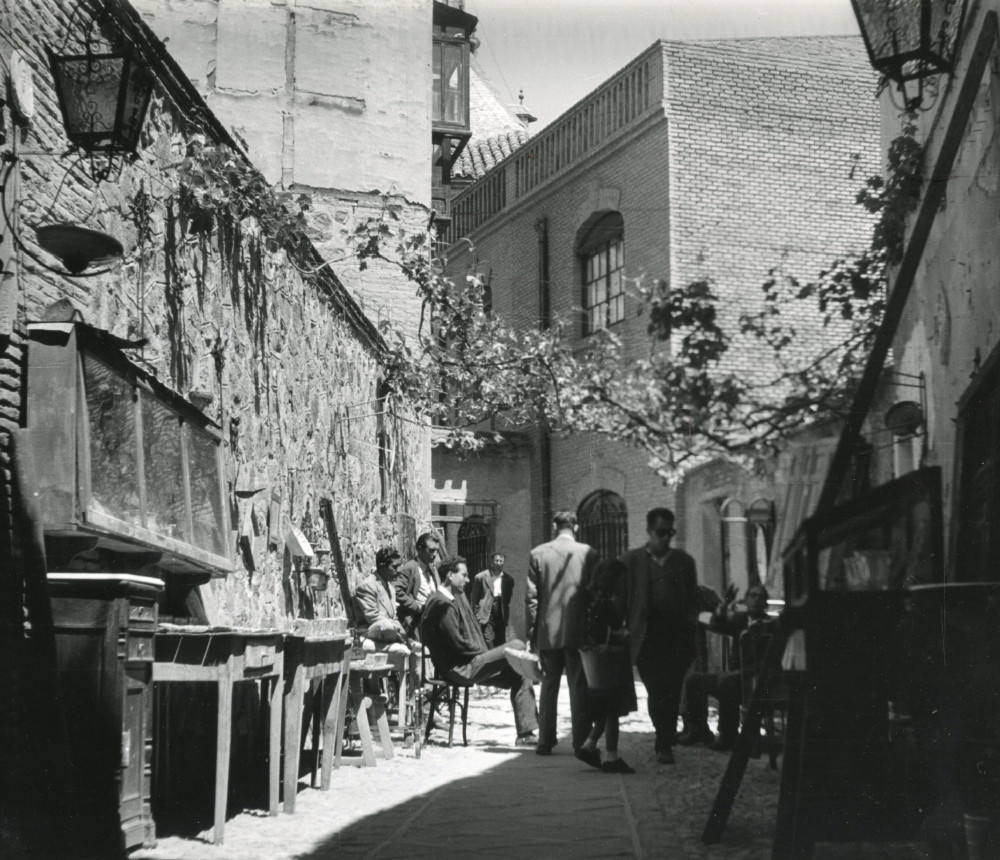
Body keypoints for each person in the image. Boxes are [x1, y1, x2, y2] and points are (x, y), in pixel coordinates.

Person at [421, 556, 538, 745]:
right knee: (516, 646)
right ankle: (538, 669)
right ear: (450, 575)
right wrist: (483, 653)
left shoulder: (451, 598)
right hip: (461, 669)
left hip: (468, 664)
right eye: (464, 575)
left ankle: (526, 734)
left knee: (520, 672)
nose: (468, 580)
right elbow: (458, 644)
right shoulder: (441, 603)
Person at [621, 507, 699, 765]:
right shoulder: (632, 561)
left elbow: (692, 600)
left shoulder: (684, 562)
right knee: (656, 690)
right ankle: (663, 735)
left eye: (670, 533)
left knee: (673, 691)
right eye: (661, 532)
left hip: (676, 638)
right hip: (647, 638)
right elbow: (621, 599)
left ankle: (665, 741)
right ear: (649, 531)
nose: (666, 538)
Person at [526, 510, 598, 761]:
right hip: (578, 631)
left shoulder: (538, 553)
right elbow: (593, 595)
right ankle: (581, 742)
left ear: (554, 527)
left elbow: (532, 599)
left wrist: (532, 634)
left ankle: (545, 741)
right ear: (575, 526)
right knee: (579, 686)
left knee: (549, 685)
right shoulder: (588, 553)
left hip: (548, 631)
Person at [679, 583, 777, 752]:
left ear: (766, 603)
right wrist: (724, 605)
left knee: (728, 683)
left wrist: (740, 673)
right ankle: (698, 728)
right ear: (745, 600)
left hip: (755, 679)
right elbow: (715, 624)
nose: (756, 600)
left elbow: (770, 662)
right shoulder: (741, 620)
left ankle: (727, 735)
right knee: (694, 680)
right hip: (735, 676)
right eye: (752, 596)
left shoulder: (771, 625)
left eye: (760, 597)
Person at [577, 558, 637, 774]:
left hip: (595, 665)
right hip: (609, 663)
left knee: (605, 710)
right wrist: (624, 634)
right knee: (612, 711)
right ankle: (612, 756)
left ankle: (589, 744)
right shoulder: (607, 605)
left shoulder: (593, 601)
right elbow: (608, 633)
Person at [354, 546, 409, 646]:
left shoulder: (391, 589)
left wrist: (404, 636)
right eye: (394, 567)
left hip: (389, 632)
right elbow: (372, 617)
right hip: (369, 632)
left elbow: (394, 617)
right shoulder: (367, 586)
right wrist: (397, 631)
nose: (399, 571)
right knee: (386, 626)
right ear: (382, 566)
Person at [394, 532, 441, 636]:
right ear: (420, 549)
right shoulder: (410, 567)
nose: (435, 555)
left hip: (432, 620)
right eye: (431, 550)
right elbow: (396, 590)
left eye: (437, 551)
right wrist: (416, 606)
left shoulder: (432, 568)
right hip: (417, 621)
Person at [469, 552, 514, 647]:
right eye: (496, 560)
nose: (498, 563)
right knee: (488, 638)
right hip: (487, 611)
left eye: (501, 561)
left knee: (501, 638)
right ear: (491, 562)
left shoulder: (508, 579)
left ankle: (499, 659)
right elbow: (474, 597)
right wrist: (476, 612)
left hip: (500, 612)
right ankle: (491, 658)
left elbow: (508, 598)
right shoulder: (481, 577)